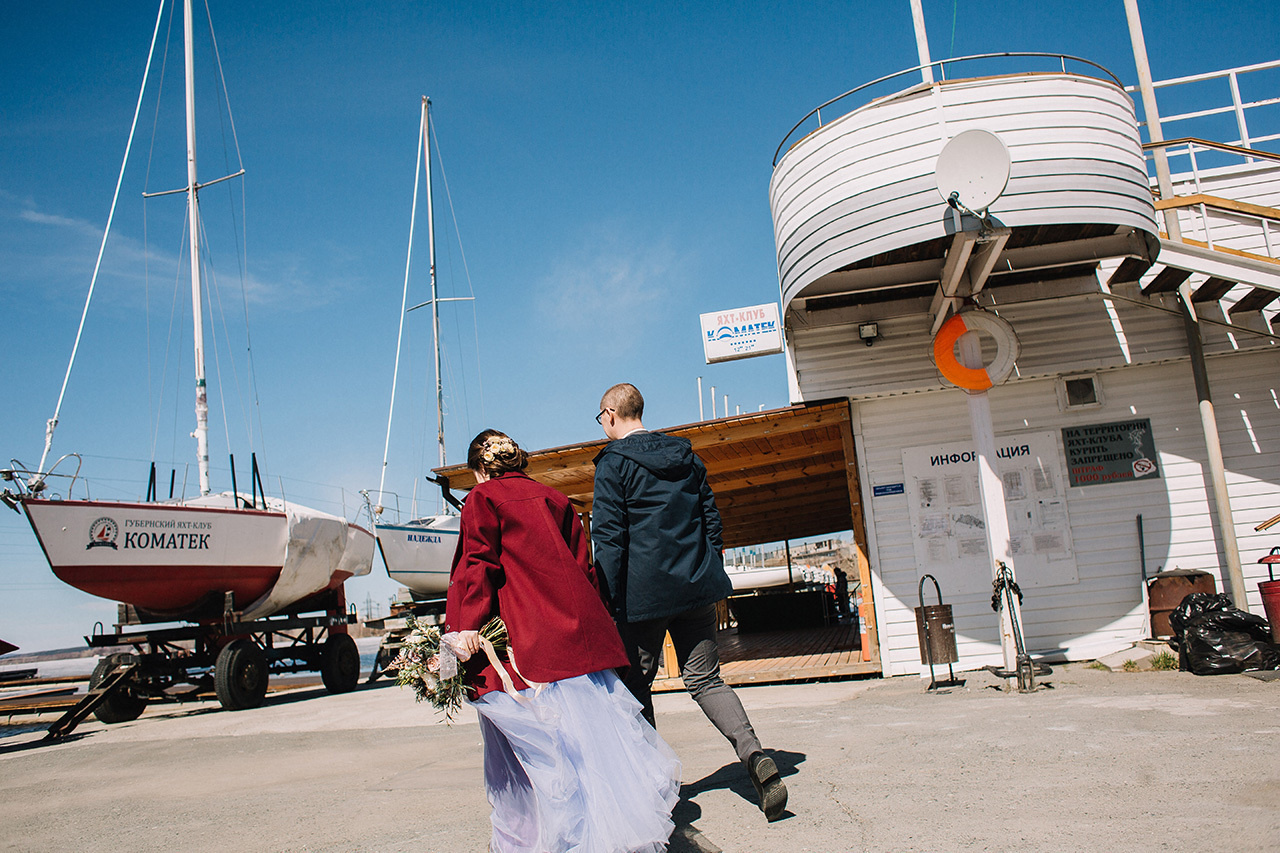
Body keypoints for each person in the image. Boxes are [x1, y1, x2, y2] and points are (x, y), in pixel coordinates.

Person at [445, 429, 681, 853]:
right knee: (594, 751)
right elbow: (582, 568)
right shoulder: (556, 500)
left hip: (528, 642)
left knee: (542, 757)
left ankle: (551, 840)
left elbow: (478, 564)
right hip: (575, 639)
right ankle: (614, 835)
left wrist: (464, 627)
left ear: (480, 469)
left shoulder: (483, 499)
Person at [591, 383, 789, 822]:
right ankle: (754, 754)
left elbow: (608, 538)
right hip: (696, 588)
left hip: (641, 596)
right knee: (705, 680)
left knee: (635, 687)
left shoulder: (613, 465)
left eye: (600, 418)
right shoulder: (687, 457)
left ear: (610, 414)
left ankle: (652, 787)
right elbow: (710, 519)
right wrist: (706, 566)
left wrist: (606, 597)